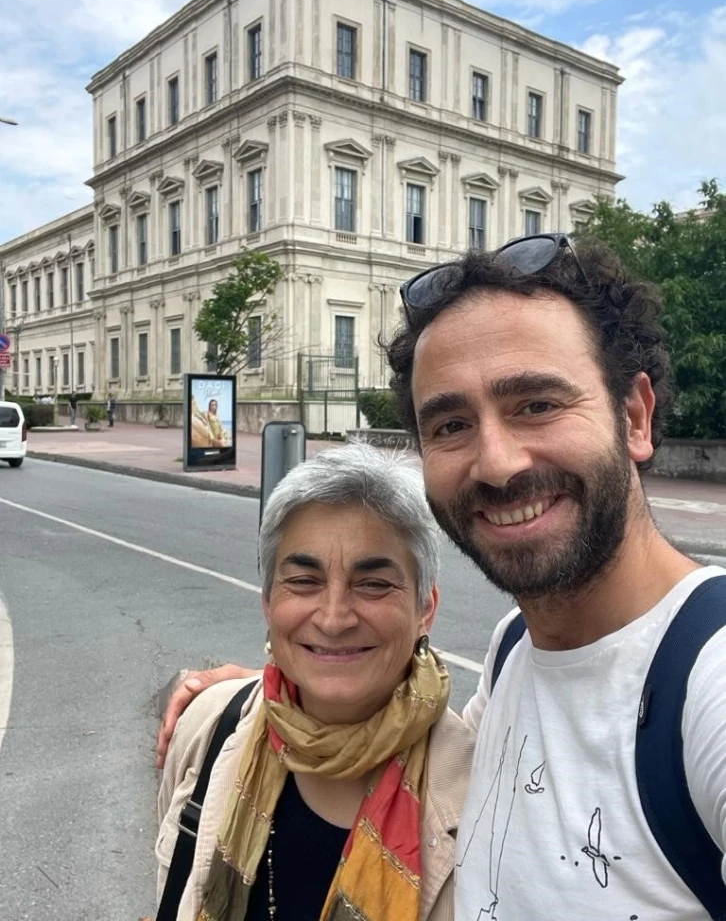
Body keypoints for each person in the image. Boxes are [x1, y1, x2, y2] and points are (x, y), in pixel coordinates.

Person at [160, 234, 726, 919]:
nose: (496, 462)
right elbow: (421, 733)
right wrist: (271, 684)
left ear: (634, 416)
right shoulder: (517, 648)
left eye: (537, 404)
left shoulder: (709, 690)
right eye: (452, 424)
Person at [154, 442, 473, 921]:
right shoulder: (209, 725)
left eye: (373, 583)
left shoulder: (479, 796)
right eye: (304, 580)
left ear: (425, 607)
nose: (333, 617)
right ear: (268, 602)